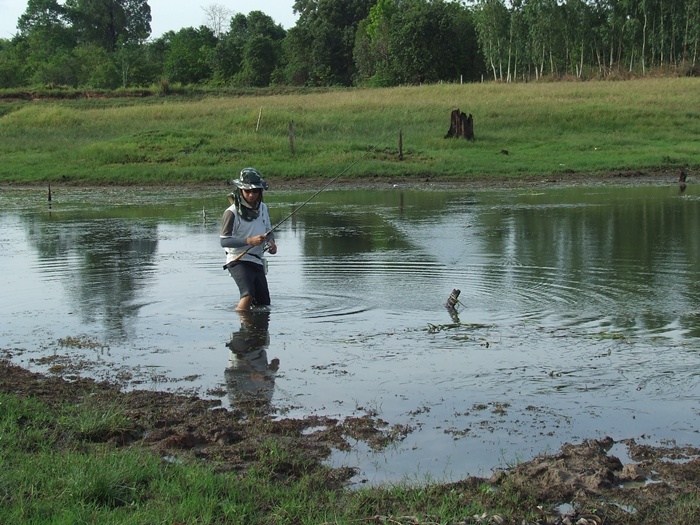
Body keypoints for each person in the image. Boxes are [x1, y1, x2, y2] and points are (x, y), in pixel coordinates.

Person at [220, 168, 277, 311]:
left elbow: (268, 231)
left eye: (255, 191)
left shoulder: (263, 208)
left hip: (256, 260)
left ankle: (256, 332)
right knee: (248, 294)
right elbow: (224, 241)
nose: (251, 195)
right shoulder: (231, 212)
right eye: (247, 191)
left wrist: (271, 243)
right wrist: (249, 241)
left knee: (264, 302)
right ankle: (241, 331)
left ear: (260, 192)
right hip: (238, 260)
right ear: (240, 191)